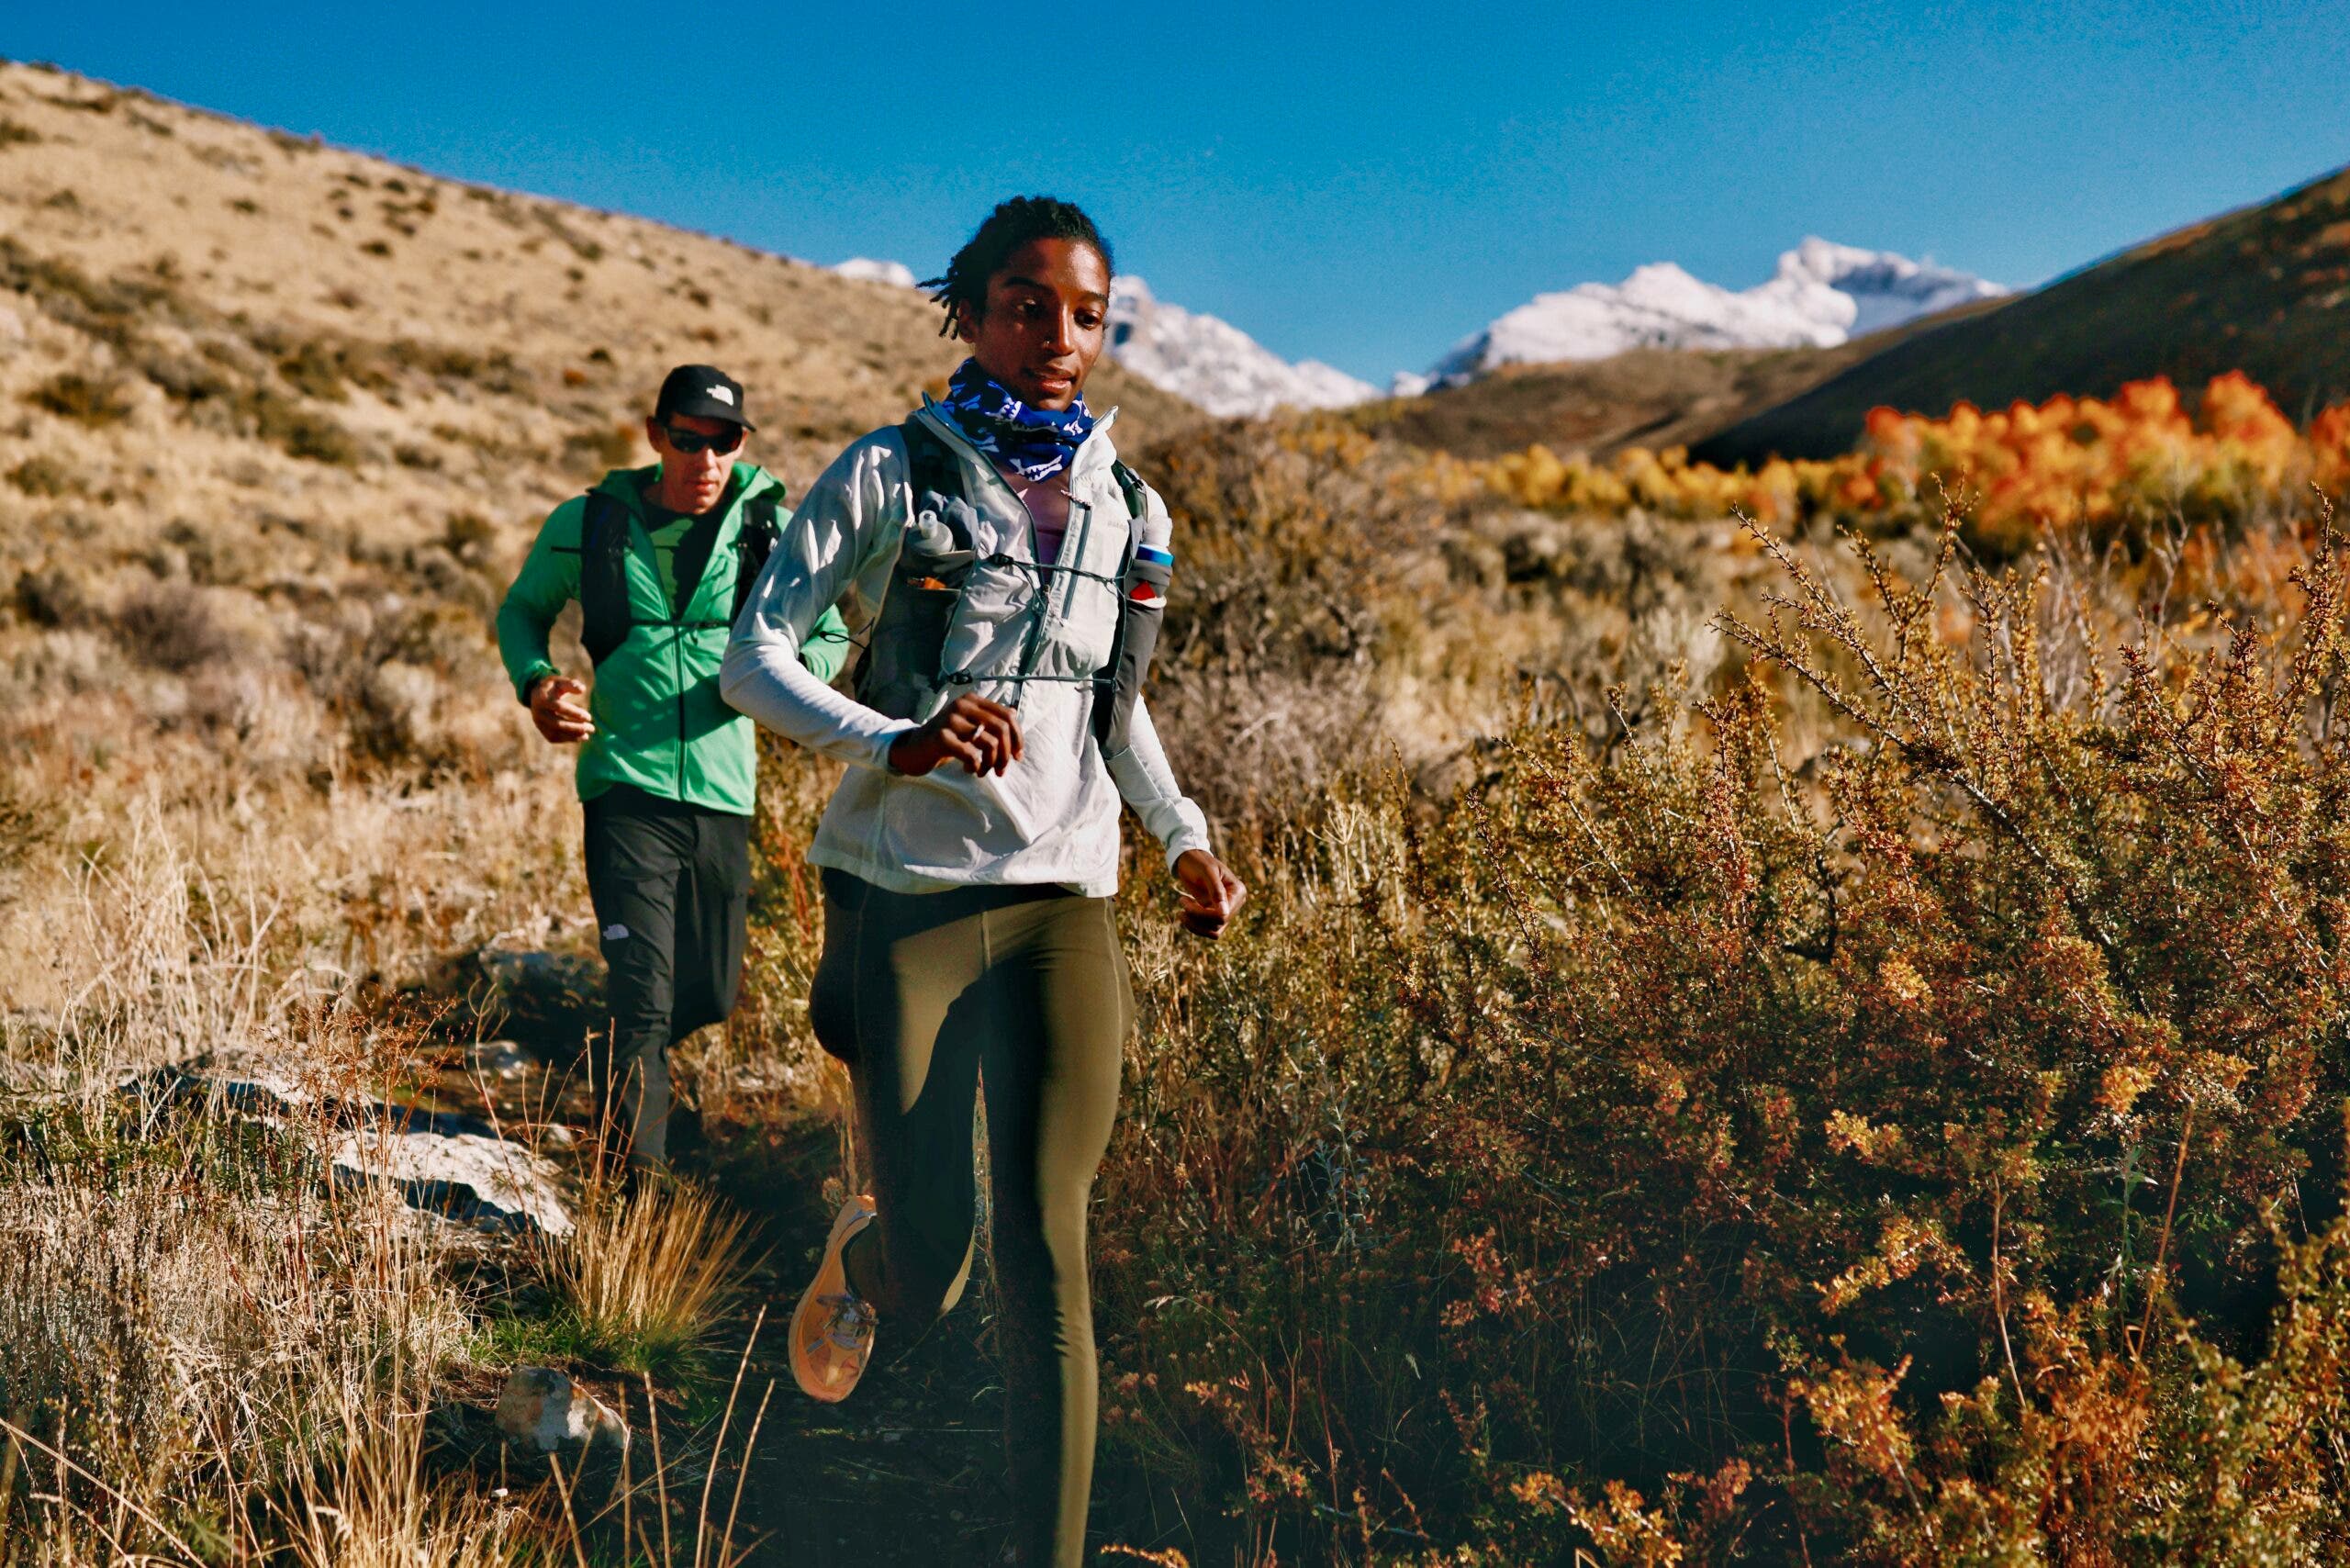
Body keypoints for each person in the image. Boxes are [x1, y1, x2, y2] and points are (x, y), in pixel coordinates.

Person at [721, 196, 1247, 1566]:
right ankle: (871, 1256)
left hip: (1065, 899)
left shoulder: (1131, 507)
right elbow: (753, 658)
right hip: (906, 898)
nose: (1059, 337)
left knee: (1049, 1254)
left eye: (1087, 315)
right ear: (967, 310)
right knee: (939, 1270)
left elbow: (1112, 707)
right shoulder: (889, 473)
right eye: (1027, 305)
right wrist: (894, 739)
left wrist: (1182, 836)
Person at [495, 364, 849, 1176]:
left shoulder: (772, 530)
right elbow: (522, 610)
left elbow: (830, 632)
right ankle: (638, 1193)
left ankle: (615, 1052)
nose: (706, 460)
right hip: (624, 786)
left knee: (711, 993)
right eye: (688, 440)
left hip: (724, 793)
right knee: (645, 998)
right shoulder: (590, 522)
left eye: (725, 442)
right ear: (656, 436)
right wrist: (538, 684)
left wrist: (789, 688)